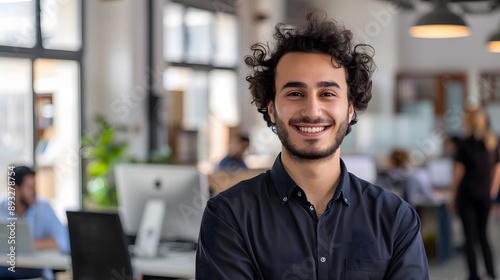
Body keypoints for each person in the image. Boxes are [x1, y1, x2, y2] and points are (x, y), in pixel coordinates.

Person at [196, 10, 429, 279]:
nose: (312, 109)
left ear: (350, 109)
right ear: (271, 109)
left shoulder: (395, 219)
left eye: (327, 93)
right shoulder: (229, 217)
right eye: (295, 93)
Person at [448, 107, 500, 280]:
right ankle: (491, 274)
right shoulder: (493, 141)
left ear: (469, 122)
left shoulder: (464, 143)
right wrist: (492, 192)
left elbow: (458, 173)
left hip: (467, 194)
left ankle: (473, 276)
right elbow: (497, 170)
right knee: (484, 236)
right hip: (485, 194)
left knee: (469, 238)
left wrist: (452, 195)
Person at [0, 165, 70, 280]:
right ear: (15, 189)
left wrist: (32, 244)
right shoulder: (1, 207)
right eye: (30, 188)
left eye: (34, 187)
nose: (35, 192)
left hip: (36, 272)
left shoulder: (44, 207)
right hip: (4, 271)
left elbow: (65, 240)